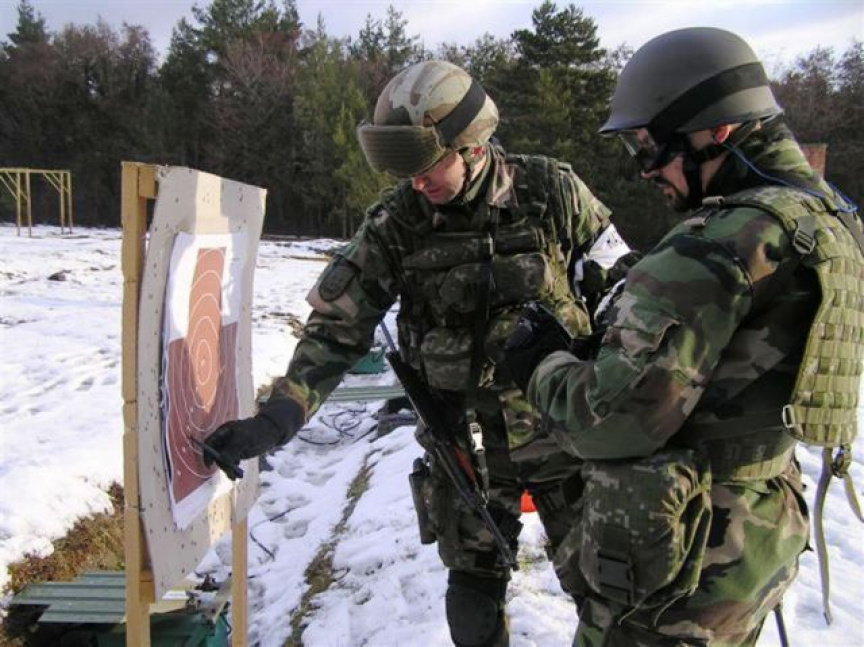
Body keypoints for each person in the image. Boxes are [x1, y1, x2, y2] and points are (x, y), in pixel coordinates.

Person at [204, 60, 634, 646]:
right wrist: (280, 416)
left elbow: (620, 285)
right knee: (473, 603)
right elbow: (337, 329)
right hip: (464, 446)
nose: (415, 184)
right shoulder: (396, 224)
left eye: (426, 167)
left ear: (472, 147)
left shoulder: (550, 191)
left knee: (608, 596)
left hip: (564, 436)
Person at [501, 27, 864, 646]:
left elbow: (606, 422)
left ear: (716, 130)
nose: (644, 170)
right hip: (761, 530)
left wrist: (542, 363)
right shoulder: (831, 216)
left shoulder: (722, 240)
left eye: (651, 146)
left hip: (684, 556)